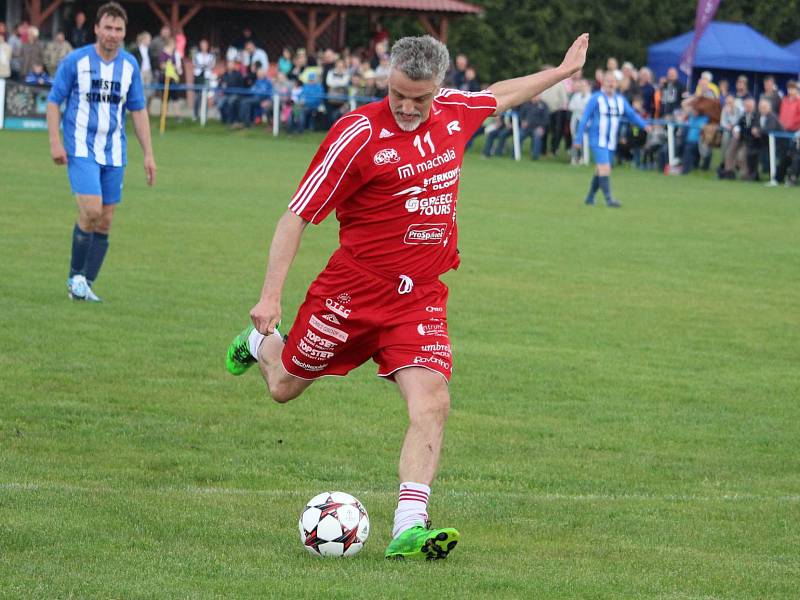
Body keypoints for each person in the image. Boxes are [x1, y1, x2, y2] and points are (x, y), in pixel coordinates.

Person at [224, 32, 590, 560]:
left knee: (433, 402)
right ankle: (260, 346)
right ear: (387, 79)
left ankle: (409, 526)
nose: (408, 107)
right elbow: (297, 214)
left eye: (420, 98)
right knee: (283, 386)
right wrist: (269, 297)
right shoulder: (355, 134)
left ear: (439, 89)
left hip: (418, 297)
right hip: (350, 293)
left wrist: (560, 71)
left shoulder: (455, 113)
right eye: (398, 94)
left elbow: (500, 93)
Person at [46, 2, 156, 302]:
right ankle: (75, 278)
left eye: (118, 29)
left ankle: (85, 284)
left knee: (105, 220)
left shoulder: (129, 65)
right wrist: (55, 142)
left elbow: (138, 110)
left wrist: (148, 154)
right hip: (80, 147)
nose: (112, 34)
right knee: (91, 210)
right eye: (107, 27)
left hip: (114, 152)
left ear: (124, 33)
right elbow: (54, 101)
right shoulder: (75, 61)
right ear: (96, 28)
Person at [574, 71, 649, 207]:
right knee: (605, 168)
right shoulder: (596, 98)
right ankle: (609, 200)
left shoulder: (620, 100)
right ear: (603, 82)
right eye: (608, 81)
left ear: (616, 84)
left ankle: (590, 197)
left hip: (611, 141)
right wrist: (578, 139)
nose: (611, 83)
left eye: (613, 81)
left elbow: (631, 114)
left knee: (600, 169)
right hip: (597, 139)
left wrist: (644, 125)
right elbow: (585, 118)